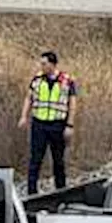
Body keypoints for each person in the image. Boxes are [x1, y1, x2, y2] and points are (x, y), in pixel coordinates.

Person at [17, 50, 78, 195]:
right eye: (41, 63)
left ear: (52, 64)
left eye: (44, 63)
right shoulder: (37, 79)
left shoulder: (66, 81)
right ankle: (32, 192)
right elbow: (29, 98)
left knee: (58, 160)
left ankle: (61, 190)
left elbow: (72, 104)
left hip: (57, 125)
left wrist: (70, 125)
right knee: (35, 160)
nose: (41, 66)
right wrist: (24, 116)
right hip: (39, 124)